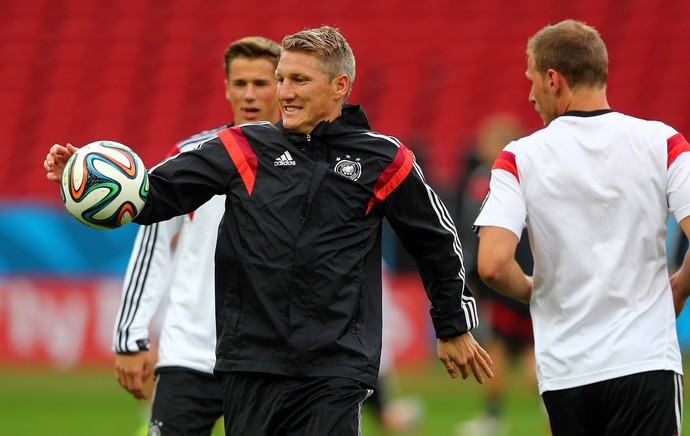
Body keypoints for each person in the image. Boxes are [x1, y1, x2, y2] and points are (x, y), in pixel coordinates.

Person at [44, 26, 492, 435]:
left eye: (299, 80)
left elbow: (436, 240)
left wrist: (452, 325)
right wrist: (88, 181)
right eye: (281, 79)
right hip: (250, 363)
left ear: (340, 86)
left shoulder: (383, 159)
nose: (284, 93)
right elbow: (155, 195)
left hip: (336, 366)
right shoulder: (242, 147)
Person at [473, 19, 690, 435]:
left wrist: (533, 290)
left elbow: (493, 265)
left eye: (532, 80)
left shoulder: (519, 158)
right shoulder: (663, 142)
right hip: (646, 360)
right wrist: (679, 285)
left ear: (553, 79)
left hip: (567, 372)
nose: (530, 94)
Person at [112, 36, 281, 435]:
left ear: (281, 85)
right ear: (226, 87)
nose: (250, 94)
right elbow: (151, 246)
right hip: (188, 353)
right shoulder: (192, 156)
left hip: (267, 360)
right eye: (240, 83)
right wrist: (130, 334)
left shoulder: (303, 163)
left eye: (261, 83)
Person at [456, 113, 537, 436]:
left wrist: (471, 274)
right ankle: (549, 404)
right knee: (528, 346)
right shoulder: (533, 175)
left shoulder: (486, 178)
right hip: (532, 272)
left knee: (501, 346)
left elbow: (474, 230)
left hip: (504, 274)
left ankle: (493, 416)